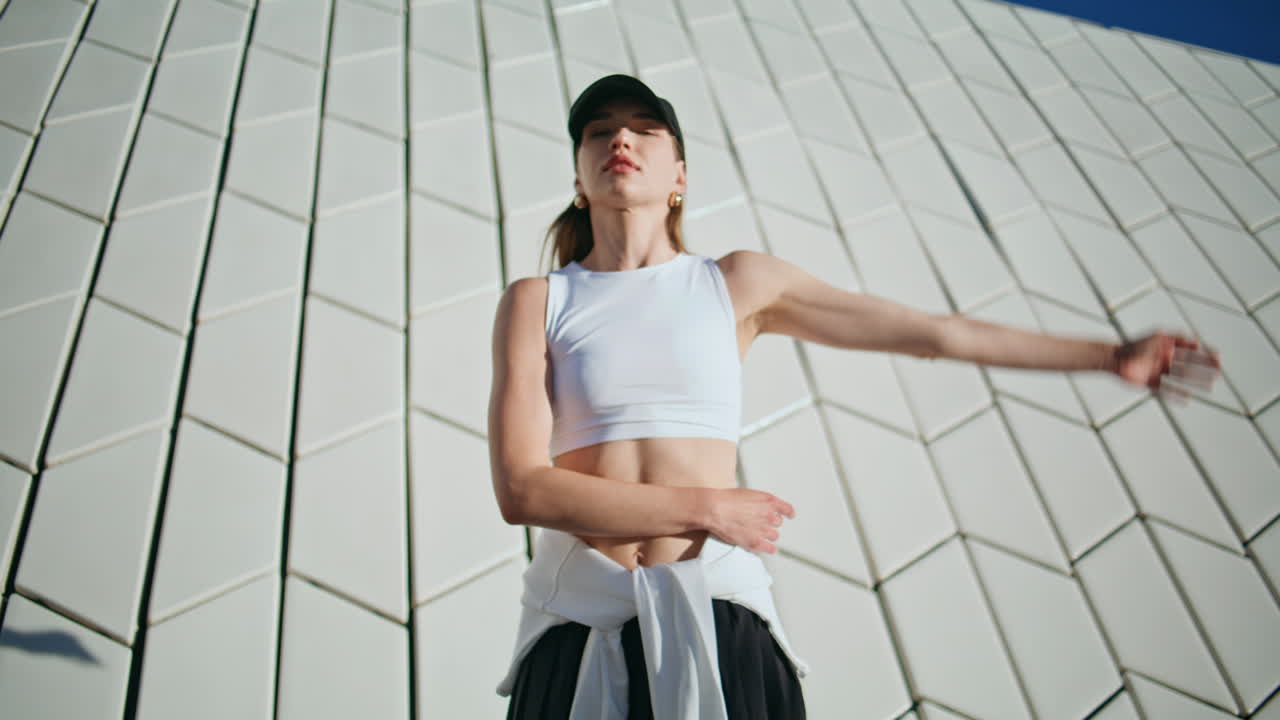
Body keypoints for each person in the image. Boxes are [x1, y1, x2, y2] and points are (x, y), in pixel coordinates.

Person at [487, 75, 1221, 720]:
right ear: (579, 178)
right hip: (580, 632)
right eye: (598, 131)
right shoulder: (540, 300)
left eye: (646, 129)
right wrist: (704, 507)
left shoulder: (735, 284)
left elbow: (934, 334)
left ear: (679, 172)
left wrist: (1106, 355)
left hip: (722, 623)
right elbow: (524, 490)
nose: (621, 138)